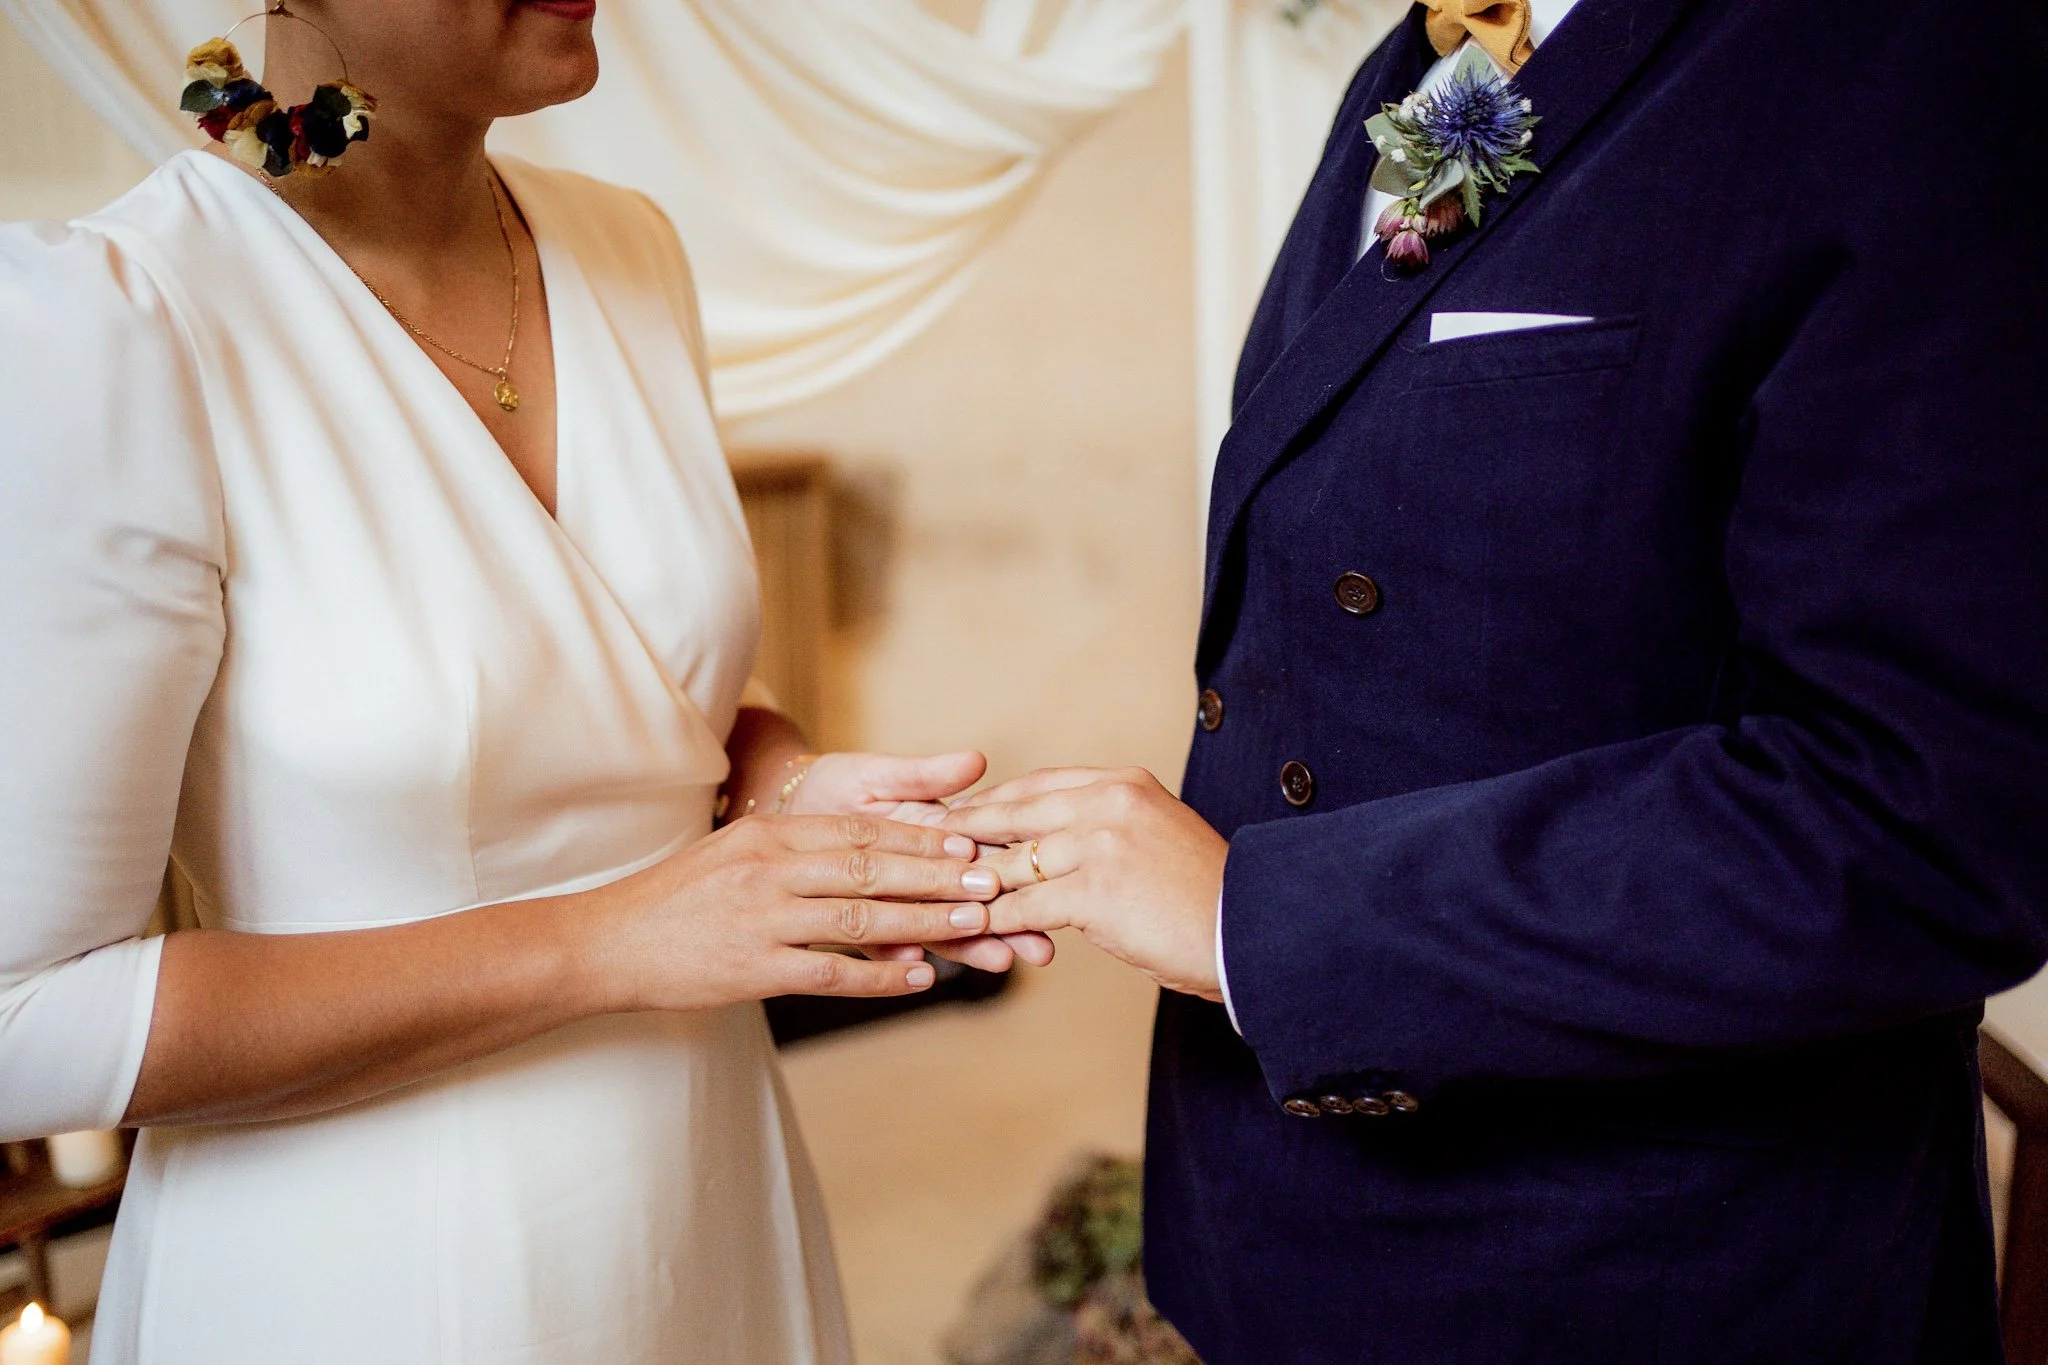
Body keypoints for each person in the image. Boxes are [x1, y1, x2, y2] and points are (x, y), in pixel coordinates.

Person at [945, 0, 2048, 1358]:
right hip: (1282, 1230)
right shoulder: (1423, 61)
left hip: (1642, 1280)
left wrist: (1257, 923)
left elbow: (1924, 820)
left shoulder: (1914, 55)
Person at [0, 1, 1051, 1360]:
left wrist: (783, 783)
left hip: (704, 1199)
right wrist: (611, 937)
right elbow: (24, 1021)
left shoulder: (627, 248)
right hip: (373, 1271)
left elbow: (622, 692)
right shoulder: (111, 321)